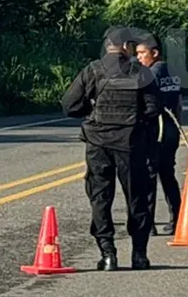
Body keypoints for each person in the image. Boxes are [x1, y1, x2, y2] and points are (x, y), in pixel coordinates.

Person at [60, 26, 160, 271]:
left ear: (107, 47)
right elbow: (153, 109)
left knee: (100, 198)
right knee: (137, 199)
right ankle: (139, 255)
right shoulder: (140, 72)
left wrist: (93, 111)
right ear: (126, 48)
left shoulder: (93, 70)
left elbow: (69, 105)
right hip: (131, 145)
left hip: (98, 143)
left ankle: (107, 255)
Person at [134, 36, 183, 236]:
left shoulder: (150, 74)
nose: (138, 58)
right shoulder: (173, 72)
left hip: (157, 130)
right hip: (172, 129)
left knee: (149, 175)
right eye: (136, 54)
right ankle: (177, 217)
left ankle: (148, 222)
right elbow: (178, 101)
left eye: (142, 53)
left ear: (154, 53)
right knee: (168, 174)